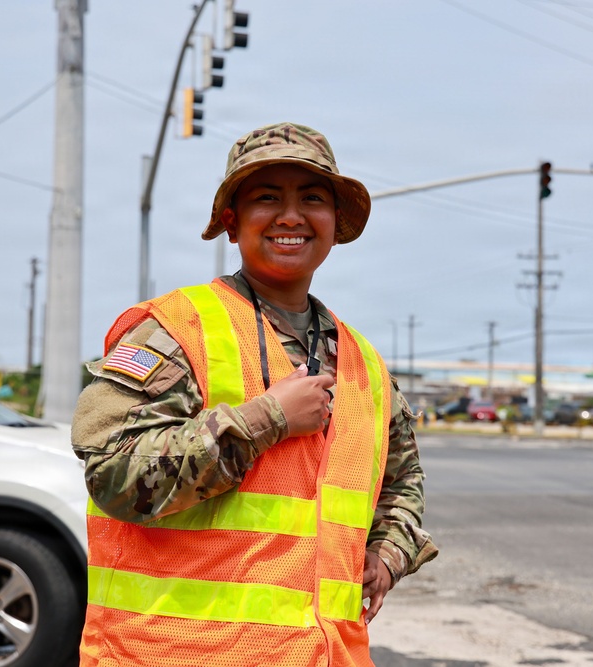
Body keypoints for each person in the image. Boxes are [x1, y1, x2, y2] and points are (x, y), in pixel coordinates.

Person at [71, 122, 438, 667]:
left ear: (335, 224)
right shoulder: (178, 330)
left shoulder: (364, 363)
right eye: (267, 198)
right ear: (230, 222)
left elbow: (402, 480)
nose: (291, 215)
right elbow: (113, 475)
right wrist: (265, 420)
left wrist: (388, 553)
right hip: (177, 654)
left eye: (311, 198)